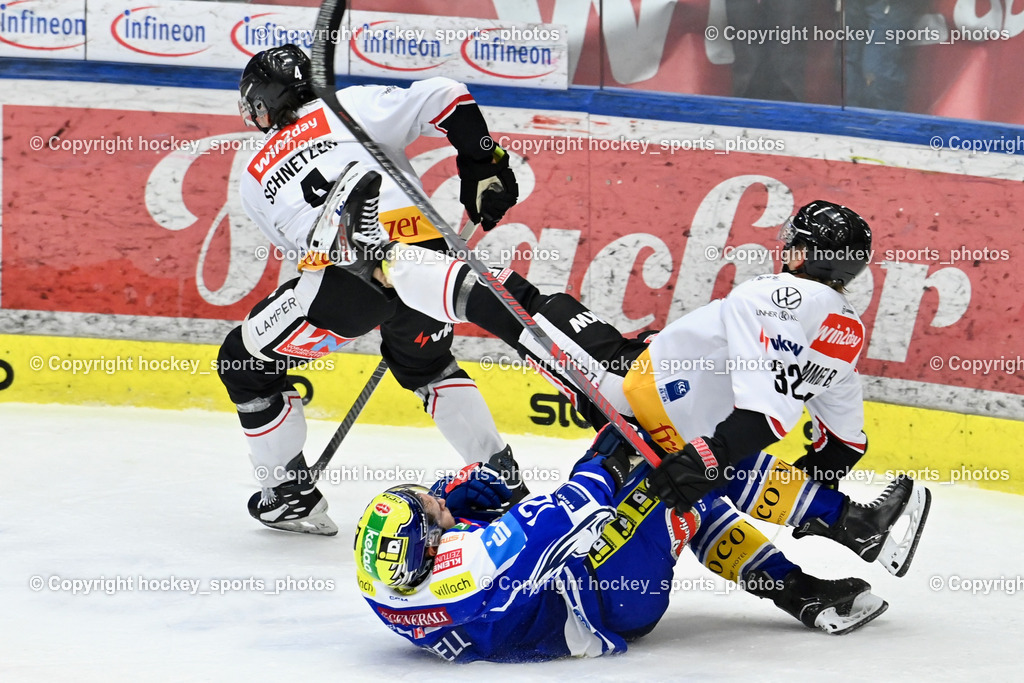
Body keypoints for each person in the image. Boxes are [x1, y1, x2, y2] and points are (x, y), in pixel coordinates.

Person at [377, 199, 931, 609]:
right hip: (686, 434)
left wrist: (714, 457)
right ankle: (808, 586)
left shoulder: (775, 295)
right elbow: (844, 445)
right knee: (697, 506)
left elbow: (764, 411)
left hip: (631, 385)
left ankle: (385, 266)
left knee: (522, 305)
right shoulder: (848, 332)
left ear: (804, 253)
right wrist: (800, 493)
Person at [218, 44, 522, 535]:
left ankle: (289, 493)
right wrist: (482, 163)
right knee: (428, 365)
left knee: (244, 362)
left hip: (344, 282)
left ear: (266, 102)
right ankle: (501, 480)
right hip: (425, 256)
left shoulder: (254, 171)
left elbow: (296, 254)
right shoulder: (350, 105)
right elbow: (450, 96)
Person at [353, 422, 920, 662]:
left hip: (581, 593)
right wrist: (609, 460)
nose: (430, 499)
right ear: (432, 540)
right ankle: (856, 525)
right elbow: (563, 511)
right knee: (682, 462)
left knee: (689, 499)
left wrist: (454, 498)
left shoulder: (386, 585)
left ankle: (807, 595)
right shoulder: (467, 563)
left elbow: (461, 509)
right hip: (611, 599)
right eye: (428, 509)